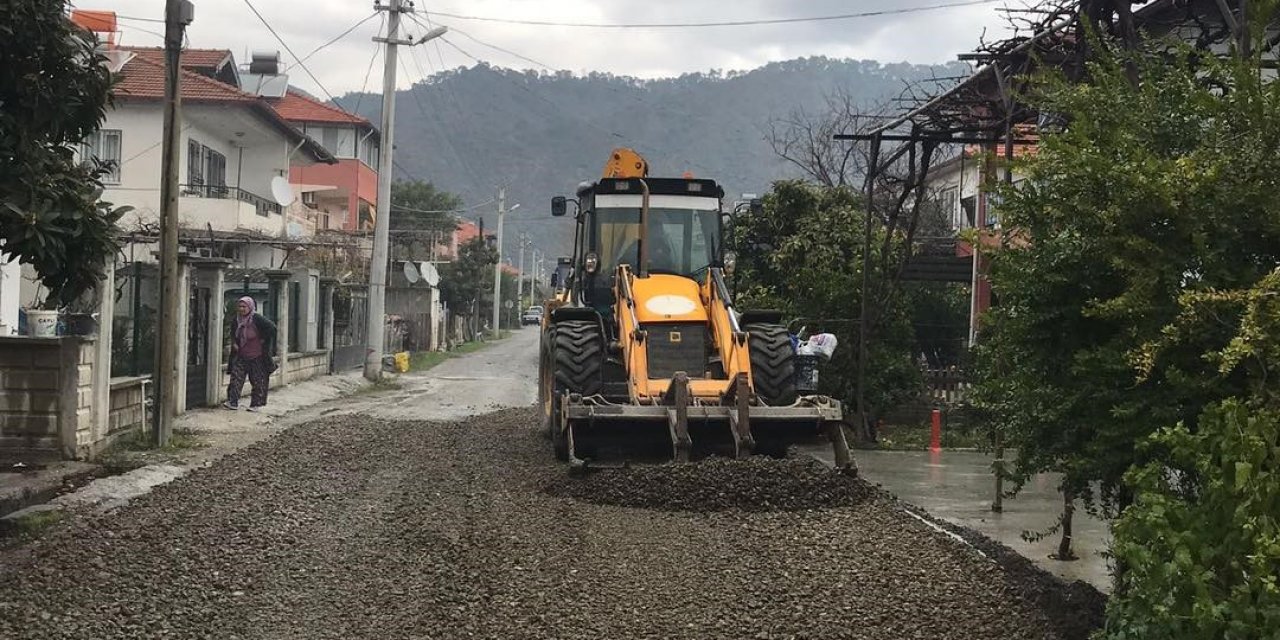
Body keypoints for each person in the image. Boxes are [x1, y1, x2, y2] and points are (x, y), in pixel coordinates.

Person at [224, 296, 276, 412]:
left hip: (257, 355)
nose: (242, 309)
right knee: (236, 378)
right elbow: (233, 334)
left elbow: (272, 328)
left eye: (244, 306)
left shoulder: (257, 319)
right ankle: (232, 402)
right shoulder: (237, 320)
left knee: (258, 381)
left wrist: (263, 339)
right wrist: (234, 343)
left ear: (250, 307)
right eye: (240, 306)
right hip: (241, 354)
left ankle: (255, 404)